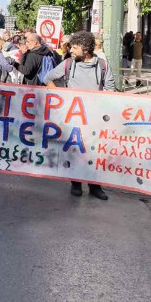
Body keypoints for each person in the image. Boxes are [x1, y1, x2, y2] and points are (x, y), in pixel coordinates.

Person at [45, 31, 114, 201]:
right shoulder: (68, 63)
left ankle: (95, 186)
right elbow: (48, 78)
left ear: (86, 49)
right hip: (74, 118)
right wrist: (61, 96)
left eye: (75, 48)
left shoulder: (103, 66)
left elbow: (110, 89)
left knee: (94, 152)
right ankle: (76, 184)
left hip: (95, 118)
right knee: (75, 150)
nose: (71, 50)